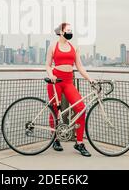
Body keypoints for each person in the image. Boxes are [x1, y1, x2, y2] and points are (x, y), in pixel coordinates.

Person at [45, 22, 95, 157]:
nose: (70, 32)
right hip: (55, 81)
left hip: (68, 81)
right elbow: (48, 65)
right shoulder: (53, 46)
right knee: (54, 110)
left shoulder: (74, 47)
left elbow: (79, 66)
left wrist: (90, 79)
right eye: (68, 30)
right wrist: (51, 75)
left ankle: (79, 143)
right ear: (61, 32)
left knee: (81, 108)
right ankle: (55, 139)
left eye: (71, 30)